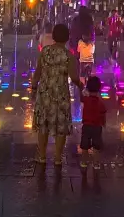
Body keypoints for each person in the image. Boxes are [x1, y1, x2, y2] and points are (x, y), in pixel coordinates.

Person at [31, 23, 82, 167]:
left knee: (43, 125)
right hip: (61, 95)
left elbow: (37, 74)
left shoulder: (45, 52)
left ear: (53, 36)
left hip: (45, 94)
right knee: (61, 127)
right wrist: (81, 86)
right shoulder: (68, 56)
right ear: (67, 38)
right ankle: (58, 158)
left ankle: (41, 156)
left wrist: (33, 90)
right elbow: (74, 77)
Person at [79, 75, 106, 170]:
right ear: (99, 89)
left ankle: (84, 162)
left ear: (88, 88)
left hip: (86, 126)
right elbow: (103, 114)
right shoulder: (101, 102)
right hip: (97, 127)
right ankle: (96, 164)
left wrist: (81, 87)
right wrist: (104, 124)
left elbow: (81, 97)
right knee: (96, 147)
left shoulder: (86, 100)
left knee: (85, 146)